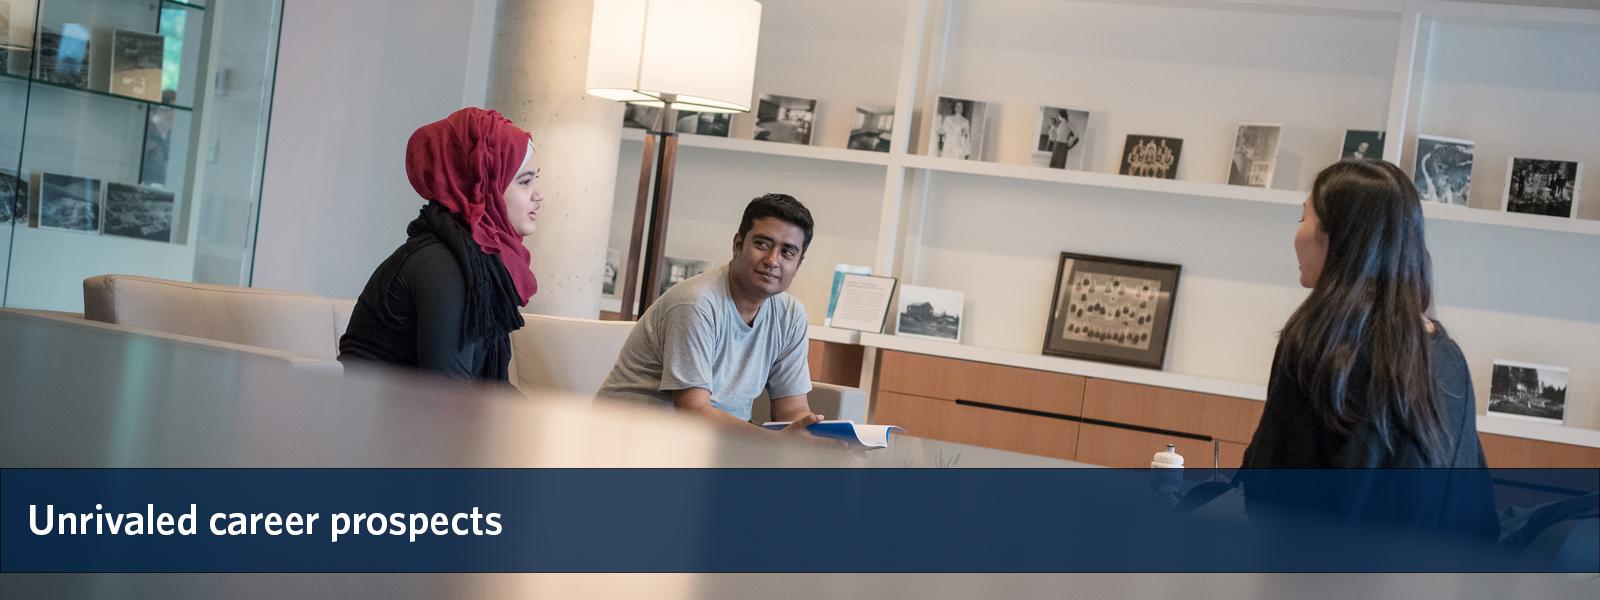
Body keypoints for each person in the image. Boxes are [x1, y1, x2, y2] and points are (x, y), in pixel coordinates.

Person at [1238, 158, 1496, 539]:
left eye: (1303, 218)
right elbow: (1478, 515)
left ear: (1338, 239)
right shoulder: (1448, 357)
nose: (1296, 235)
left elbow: (1270, 497)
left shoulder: (1317, 346)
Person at [597, 194, 830, 440]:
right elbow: (693, 411)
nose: (772, 260)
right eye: (762, 244)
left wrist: (810, 436)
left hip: (711, 445)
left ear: (798, 264)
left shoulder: (791, 316)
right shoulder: (695, 303)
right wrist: (774, 442)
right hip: (629, 438)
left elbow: (791, 409)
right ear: (738, 245)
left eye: (787, 252)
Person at [338, 107, 541, 382]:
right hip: (379, 410)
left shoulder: (479, 264)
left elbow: (487, 391)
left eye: (535, 179)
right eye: (525, 182)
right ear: (481, 186)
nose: (538, 195)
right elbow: (448, 393)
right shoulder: (443, 266)